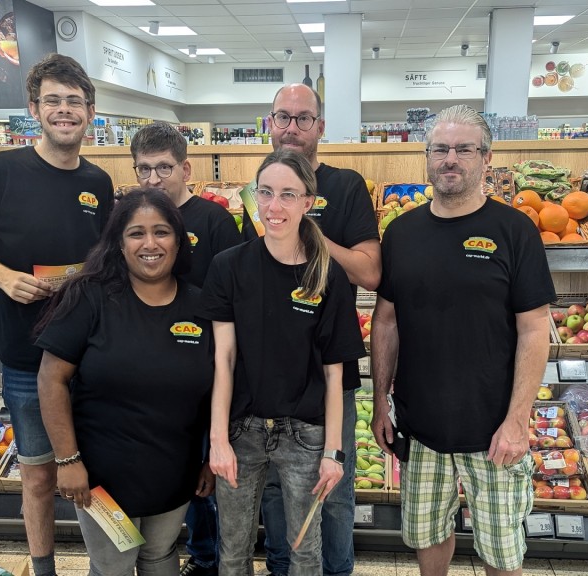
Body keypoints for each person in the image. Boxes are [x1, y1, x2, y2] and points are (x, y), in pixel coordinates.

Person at [370, 104, 555, 576]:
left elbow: (535, 329)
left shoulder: (515, 231)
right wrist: (379, 404)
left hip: (494, 430)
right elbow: (386, 321)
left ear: (486, 158)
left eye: (464, 149)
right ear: (427, 156)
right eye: (441, 149)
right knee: (428, 535)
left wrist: (517, 420)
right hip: (421, 425)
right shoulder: (401, 232)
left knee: (501, 551)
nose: (450, 159)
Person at [0, 53, 113, 576]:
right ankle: (43, 569)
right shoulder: (1, 169)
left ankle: (105, 565)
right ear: (34, 108)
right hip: (25, 354)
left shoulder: (99, 182)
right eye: (53, 101)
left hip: (90, 355)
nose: (64, 111)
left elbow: (104, 261)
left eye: (74, 102)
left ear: (90, 112)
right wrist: (1, 276)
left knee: (102, 470)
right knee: (39, 475)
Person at [202, 149, 367, 576]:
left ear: (308, 202)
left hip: (305, 436)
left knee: (304, 550)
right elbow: (224, 359)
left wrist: (334, 452)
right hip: (242, 431)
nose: (274, 207)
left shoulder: (325, 273)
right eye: (266, 193)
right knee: (234, 549)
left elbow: (335, 375)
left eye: (288, 195)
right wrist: (218, 439)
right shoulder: (228, 267)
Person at [35, 189, 213, 576]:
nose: (150, 244)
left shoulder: (201, 307)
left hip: (174, 471)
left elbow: (218, 392)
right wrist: (67, 460)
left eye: (161, 232)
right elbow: (51, 379)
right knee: (114, 564)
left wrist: (210, 459)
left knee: (160, 555)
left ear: (178, 241)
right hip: (102, 478)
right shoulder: (89, 297)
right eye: (136, 233)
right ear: (119, 242)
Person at [243, 83, 380, 576]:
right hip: (272, 374)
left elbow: (369, 271)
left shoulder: (346, 186)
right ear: (269, 124)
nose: (292, 128)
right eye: (283, 117)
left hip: (329, 370)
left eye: (304, 118)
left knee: (334, 490)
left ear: (320, 127)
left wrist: (305, 228)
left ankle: (337, 571)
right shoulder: (256, 191)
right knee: (278, 490)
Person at [129, 122, 241, 576]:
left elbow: (236, 294)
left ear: (186, 168)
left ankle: (210, 556)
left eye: (163, 168)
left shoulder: (215, 220)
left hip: (206, 365)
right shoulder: (130, 218)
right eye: (144, 169)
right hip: (151, 370)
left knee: (208, 469)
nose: (153, 179)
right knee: (173, 464)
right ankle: (183, 551)